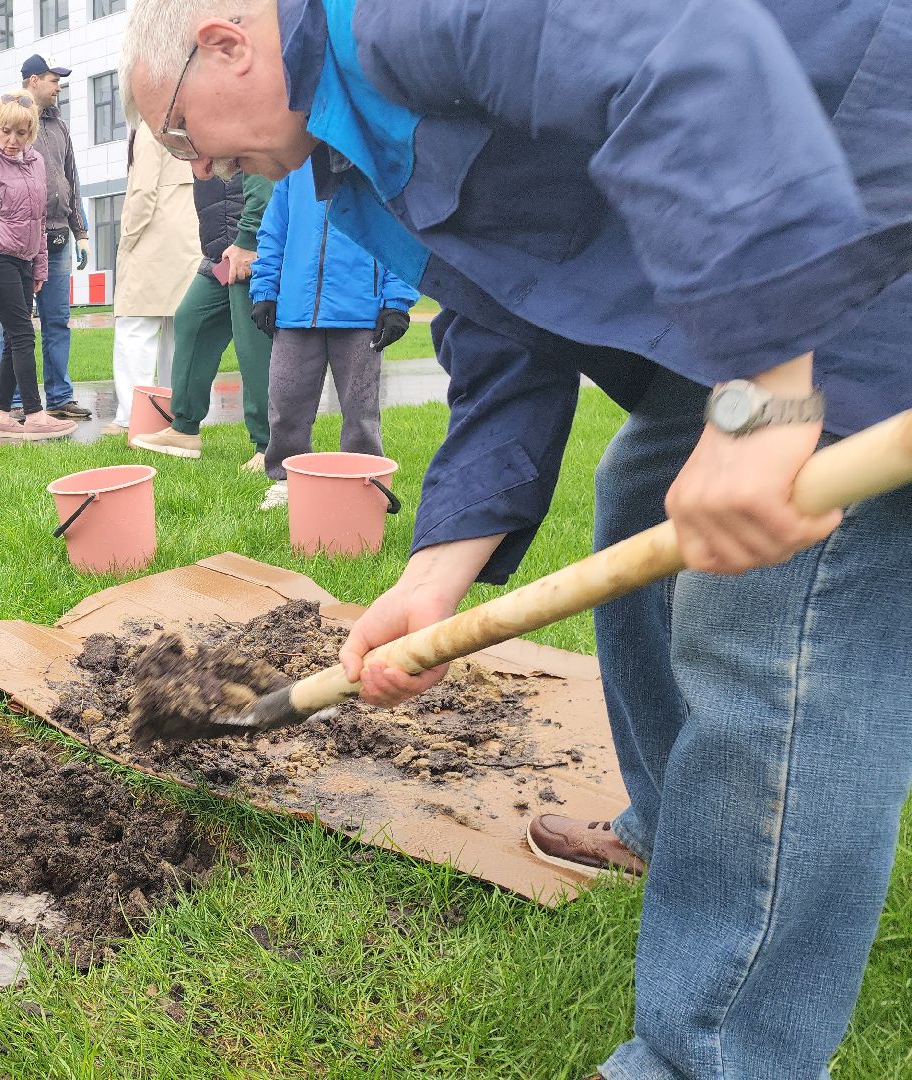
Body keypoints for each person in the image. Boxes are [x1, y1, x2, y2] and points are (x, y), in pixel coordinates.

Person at [120, 1, 912, 1078]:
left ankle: (718, 1056)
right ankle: (677, 825)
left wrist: (768, 398)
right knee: (641, 490)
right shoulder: (346, 164)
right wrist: (432, 577)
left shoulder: (401, 18)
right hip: (767, 267)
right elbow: (499, 329)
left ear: (225, 41)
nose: (201, 162)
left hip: (854, 205)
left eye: (179, 133)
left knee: (775, 614)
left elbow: (692, 55)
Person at [249, 157, 418, 508]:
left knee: (361, 410)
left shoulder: (377, 163)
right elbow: (273, 231)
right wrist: (265, 289)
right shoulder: (294, 168)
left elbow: (403, 234)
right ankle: (285, 478)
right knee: (286, 404)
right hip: (296, 312)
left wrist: (397, 301)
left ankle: (363, 481)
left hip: (361, 311)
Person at [128, 172, 273, 466]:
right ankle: (184, 428)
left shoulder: (239, 128)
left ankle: (271, 444)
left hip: (250, 254)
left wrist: (248, 240)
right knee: (192, 318)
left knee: (252, 346)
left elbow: (263, 183)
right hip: (221, 257)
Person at [0, 93, 77, 442]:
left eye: (21, 133)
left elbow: (39, 218)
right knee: (24, 335)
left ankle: (0, 414)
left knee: (15, 340)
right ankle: (34, 413)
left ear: (31, 133)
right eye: (5, 131)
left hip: (26, 260)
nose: (12, 140)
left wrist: (41, 267)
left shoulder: (37, 163)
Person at [0, 54, 92, 422]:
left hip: (57, 241)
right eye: (55, 80)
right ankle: (17, 402)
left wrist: (80, 232)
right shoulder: (9, 126)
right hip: (20, 243)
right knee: (16, 325)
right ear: (33, 81)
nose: (59, 86)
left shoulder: (59, 127)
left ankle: (60, 397)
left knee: (57, 321)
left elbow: (72, 180)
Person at [109, 125, 202, 435]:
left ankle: (133, 417)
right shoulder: (189, 125)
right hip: (187, 240)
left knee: (134, 330)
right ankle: (175, 414)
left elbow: (142, 193)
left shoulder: (149, 128)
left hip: (150, 241)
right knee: (179, 334)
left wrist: (126, 240)